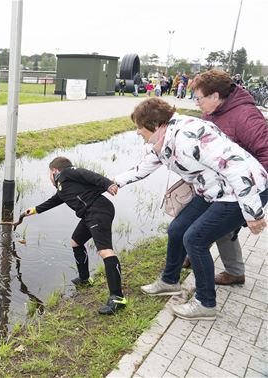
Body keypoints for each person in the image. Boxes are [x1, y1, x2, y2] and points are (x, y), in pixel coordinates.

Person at [114, 98, 267, 320]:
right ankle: (169, 282)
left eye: (139, 127)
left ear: (155, 125)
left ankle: (205, 304)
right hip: (214, 191)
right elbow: (143, 167)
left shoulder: (187, 137)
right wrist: (112, 183)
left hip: (242, 192)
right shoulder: (165, 138)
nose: (137, 132)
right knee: (177, 230)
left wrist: (254, 214)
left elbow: (237, 168)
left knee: (195, 240)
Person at [187, 69, 268, 285]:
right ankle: (202, 255)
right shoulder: (213, 111)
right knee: (215, 226)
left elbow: (266, 152)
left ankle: (232, 272)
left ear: (215, 95)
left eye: (199, 98)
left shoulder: (245, 116)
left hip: (246, 185)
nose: (197, 103)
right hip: (220, 184)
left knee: (221, 227)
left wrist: (249, 196)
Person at [23, 156, 126, 315]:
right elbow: (55, 200)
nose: (50, 178)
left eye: (49, 174)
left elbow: (88, 174)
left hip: (98, 210)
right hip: (89, 213)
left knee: (105, 251)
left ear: (54, 171)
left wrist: (108, 184)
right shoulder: (63, 187)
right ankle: (85, 279)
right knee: (75, 242)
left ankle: (118, 298)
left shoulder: (67, 174)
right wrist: (35, 209)